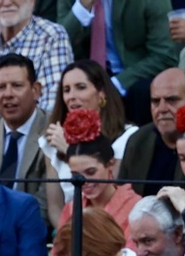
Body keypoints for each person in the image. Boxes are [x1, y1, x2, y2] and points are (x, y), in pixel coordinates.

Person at [39, 61, 136, 221]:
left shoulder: (127, 137)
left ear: (101, 93)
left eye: (81, 87)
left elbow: (111, 187)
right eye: (66, 90)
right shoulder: (53, 140)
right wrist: (69, 232)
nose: (71, 96)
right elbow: (55, 207)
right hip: (68, 227)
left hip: (112, 225)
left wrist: (69, 150)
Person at [57, 0, 176, 123]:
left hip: (132, 74)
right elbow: (59, 46)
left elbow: (164, 56)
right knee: (68, 91)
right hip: (88, 75)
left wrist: (115, 85)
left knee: (141, 91)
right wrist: (82, 7)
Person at [0, 52, 50, 224]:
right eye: (0, 87)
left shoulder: (52, 129)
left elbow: (46, 204)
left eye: (17, 86)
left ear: (36, 90)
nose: (8, 94)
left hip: (33, 226)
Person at [57, 128, 140, 247]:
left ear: (110, 164)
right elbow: (59, 252)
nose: (83, 181)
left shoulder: (135, 206)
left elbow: (133, 252)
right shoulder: (72, 208)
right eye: (76, 175)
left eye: (91, 172)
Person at [116, 67, 185, 188]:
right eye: (155, 101)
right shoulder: (138, 141)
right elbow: (121, 194)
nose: (162, 109)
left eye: (172, 100)